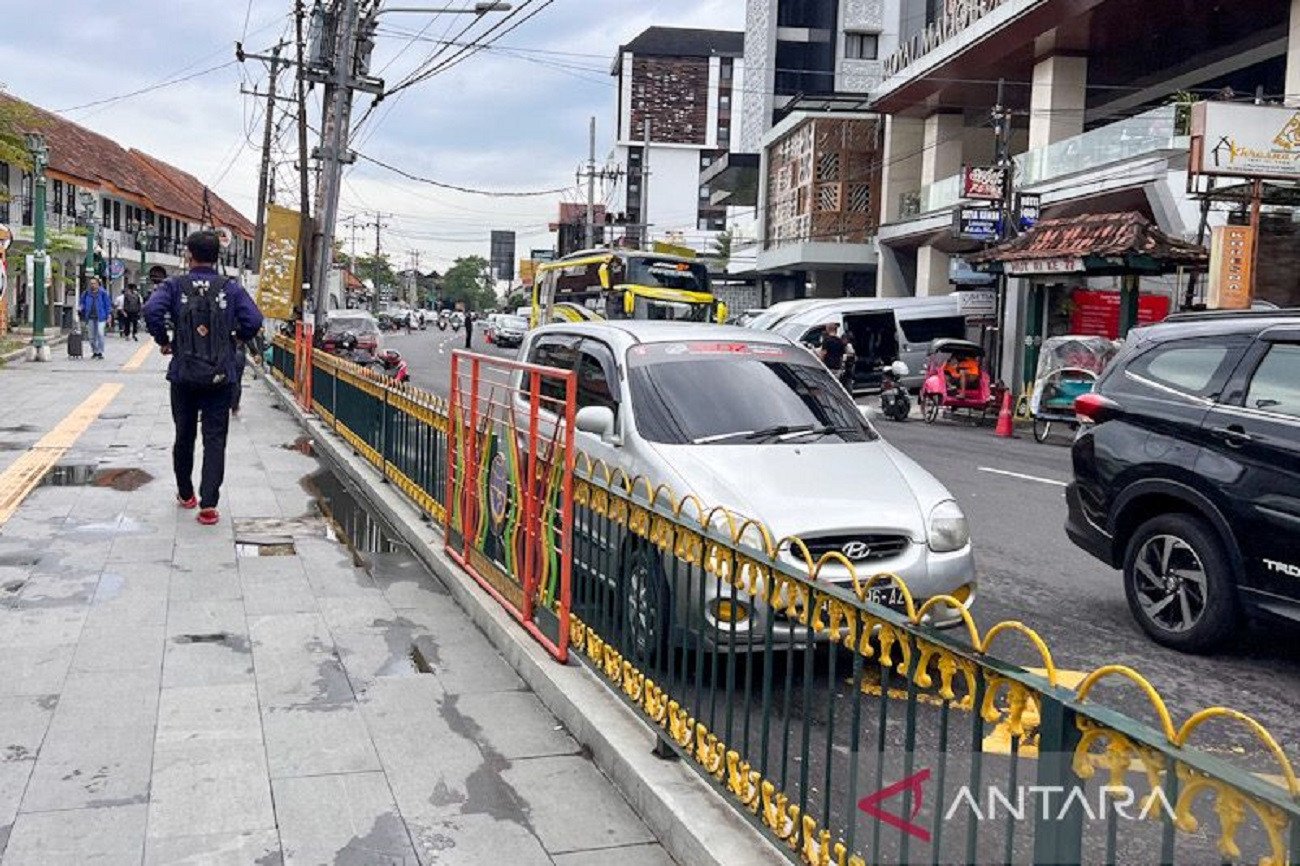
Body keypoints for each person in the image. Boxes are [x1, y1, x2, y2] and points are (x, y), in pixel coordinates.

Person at [143, 230, 263, 526]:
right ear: (217, 256)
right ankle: (209, 504)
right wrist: (235, 339)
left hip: (183, 373)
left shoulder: (173, 285)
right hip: (219, 376)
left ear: (188, 254)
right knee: (215, 439)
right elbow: (254, 320)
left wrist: (164, 340)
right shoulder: (230, 288)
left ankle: (186, 494)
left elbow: (151, 311)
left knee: (184, 434)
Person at [80, 278, 111, 359]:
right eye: (91, 283)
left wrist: (108, 315)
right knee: (91, 337)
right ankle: (95, 351)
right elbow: (82, 303)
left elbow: (107, 305)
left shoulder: (103, 293)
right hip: (90, 317)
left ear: (98, 284)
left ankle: (100, 352)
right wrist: (81, 308)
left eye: (94, 283)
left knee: (100, 334)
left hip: (101, 317)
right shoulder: (86, 293)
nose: (92, 285)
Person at [818, 322, 853, 386]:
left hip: (828, 367)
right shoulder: (840, 341)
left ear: (828, 329)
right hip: (837, 368)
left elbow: (823, 353)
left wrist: (820, 363)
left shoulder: (826, 340)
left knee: (828, 385)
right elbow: (842, 356)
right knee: (836, 385)